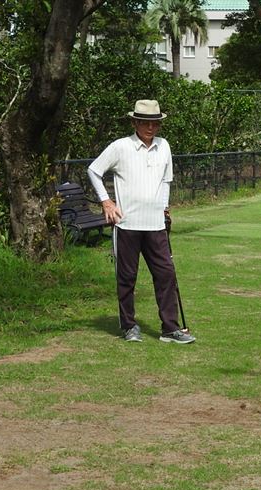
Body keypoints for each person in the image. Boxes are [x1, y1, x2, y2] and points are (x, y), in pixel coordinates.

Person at [87, 99, 196, 344]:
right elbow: (94, 170)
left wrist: (164, 209)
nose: (150, 128)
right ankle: (129, 326)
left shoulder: (164, 146)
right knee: (127, 277)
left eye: (155, 123)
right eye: (145, 122)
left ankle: (170, 328)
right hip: (127, 224)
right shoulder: (120, 147)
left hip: (156, 224)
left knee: (166, 275)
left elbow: (165, 181)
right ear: (135, 122)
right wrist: (106, 202)